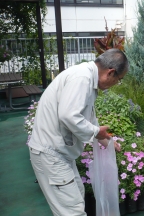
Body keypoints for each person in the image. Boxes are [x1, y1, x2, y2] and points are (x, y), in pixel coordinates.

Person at [28, 48, 129, 216]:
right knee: (72, 211)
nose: (117, 84)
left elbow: (86, 116)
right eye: (119, 79)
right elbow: (69, 115)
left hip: (60, 153)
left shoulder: (88, 79)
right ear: (110, 73)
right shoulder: (82, 78)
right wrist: (96, 132)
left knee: (76, 199)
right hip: (51, 154)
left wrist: (106, 140)